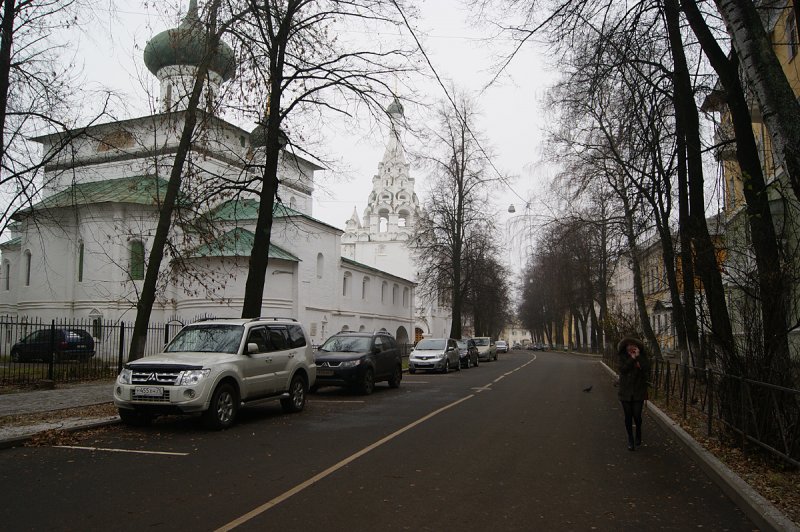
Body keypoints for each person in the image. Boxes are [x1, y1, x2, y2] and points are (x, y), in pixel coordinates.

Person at [617, 337, 650, 451]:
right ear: (625, 347)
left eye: (633, 345)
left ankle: (638, 432)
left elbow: (647, 368)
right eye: (628, 345)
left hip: (638, 391)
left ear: (637, 347)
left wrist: (638, 357)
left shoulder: (642, 357)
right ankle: (630, 439)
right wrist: (632, 358)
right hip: (625, 391)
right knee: (628, 416)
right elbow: (622, 369)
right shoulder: (622, 357)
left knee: (637, 415)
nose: (631, 347)